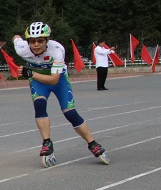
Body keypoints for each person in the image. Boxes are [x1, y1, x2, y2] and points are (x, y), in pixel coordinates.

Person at [14, 22, 109, 167]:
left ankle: (92, 143)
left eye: (40, 41)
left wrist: (31, 73)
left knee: (70, 113)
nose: (36, 44)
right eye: (32, 41)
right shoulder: (21, 48)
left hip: (58, 81)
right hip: (38, 81)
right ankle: (47, 142)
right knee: (39, 105)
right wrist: (17, 38)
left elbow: (53, 80)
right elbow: (16, 37)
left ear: (47, 40)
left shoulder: (57, 50)